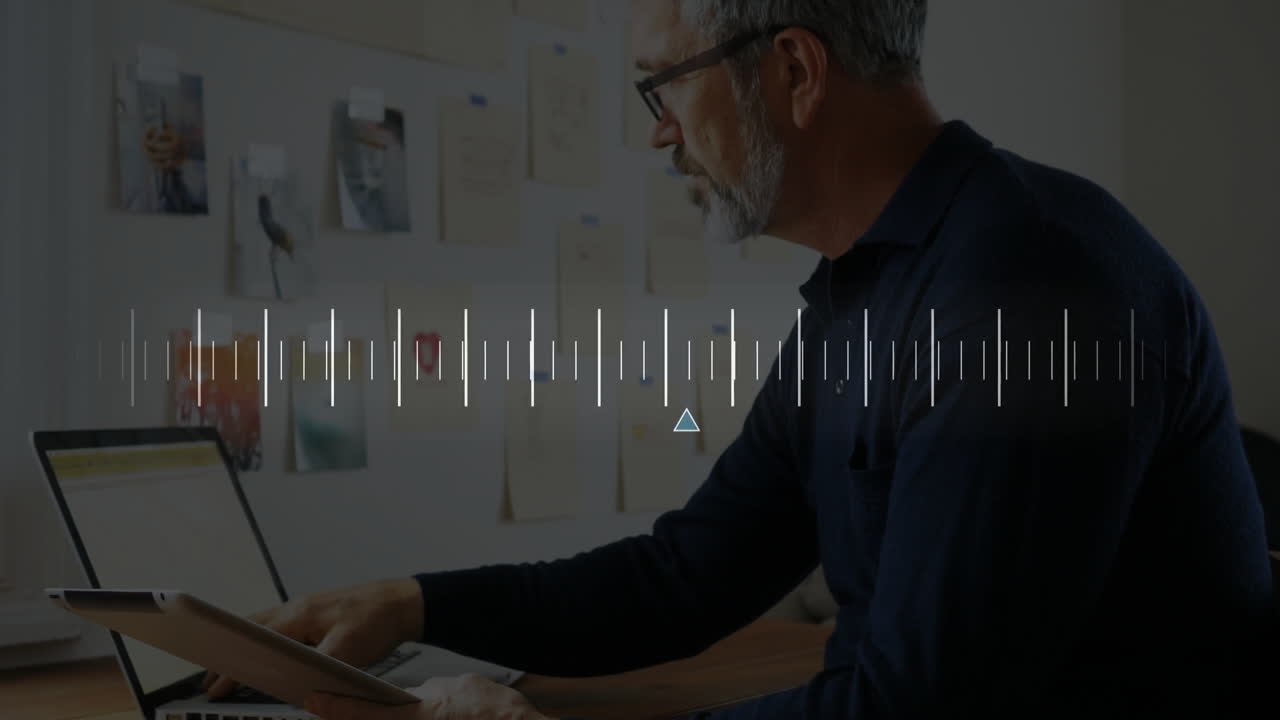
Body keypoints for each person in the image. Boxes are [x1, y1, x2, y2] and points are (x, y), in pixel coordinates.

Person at [210, 1, 1278, 717]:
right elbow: (686, 574)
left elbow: (917, 708)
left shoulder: (1025, 285)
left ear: (793, 70)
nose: (656, 136)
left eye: (659, 88)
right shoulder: (865, 291)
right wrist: (412, 604)